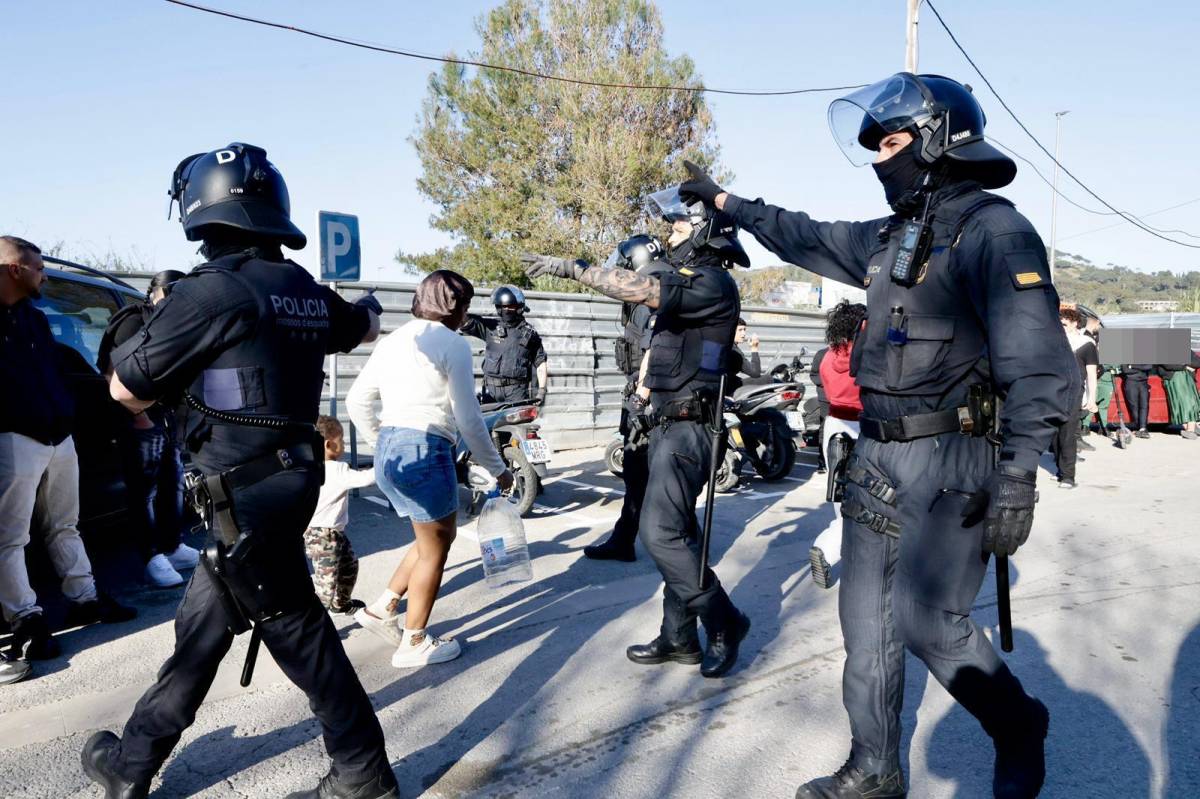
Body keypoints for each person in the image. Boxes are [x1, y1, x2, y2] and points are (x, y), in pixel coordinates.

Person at [677, 72, 1075, 797]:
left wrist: (1019, 474)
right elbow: (802, 233)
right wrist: (726, 202)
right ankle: (874, 768)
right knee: (865, 622)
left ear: (936, 139)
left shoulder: (998, 229)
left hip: (954, 458)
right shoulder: (889, 238)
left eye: (892, 142)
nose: (880, 159)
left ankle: (1019, 725)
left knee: (927, 621)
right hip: (878, 455)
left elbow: (1040, 368)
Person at [81, 143, 399, 799]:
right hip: (284, 483)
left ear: (202, 210)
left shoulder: (209, 294)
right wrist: (365, 308)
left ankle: (364, 773)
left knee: (300, 631)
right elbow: (360, 325)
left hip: (242, 499)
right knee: (201, 629)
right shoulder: (303, 289)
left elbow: (124, 391)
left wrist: (144, 315)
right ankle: (131, 763)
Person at [522, 180, 753, 680]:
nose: (669, 231)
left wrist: (572, 268)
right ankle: (679, 638)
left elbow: (641, 288)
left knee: (660, 533)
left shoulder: (711, 282)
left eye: (678, 223)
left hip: (691, 427)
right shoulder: (691, 281)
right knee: (681, 534)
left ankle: (724, 619)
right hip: (667, 421)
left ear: (707, 232)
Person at [347, 270, 514, 669]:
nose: (466, 315)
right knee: (436, 550)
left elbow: (355, 402)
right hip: (426, 448)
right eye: (466, 306)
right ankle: (414, 642)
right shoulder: (452, 344)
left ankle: (383, 608)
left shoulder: (392, 341)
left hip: (391, 450)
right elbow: (469, 419)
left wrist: (383, 441)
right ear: (453, 306)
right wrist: (500, 470)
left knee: (431, 537)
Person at [1, 235, 137, 663]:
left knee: (66, 525)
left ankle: (85, 598)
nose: (43, 274)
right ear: (14, 269)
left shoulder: (34, 318)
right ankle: (25, 617)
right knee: (11, 537)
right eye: (38, 268)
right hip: (15, 437)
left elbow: (60, 369)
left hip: (59, 437)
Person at [98, 269, 200, 587]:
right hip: (139, 418)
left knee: (173, 485)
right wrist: (136, 413)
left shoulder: (170, 322)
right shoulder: (134, 319)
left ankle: (171, 546)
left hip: (165, 417)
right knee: (144, 493)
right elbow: (110, 369)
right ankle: (151, 556)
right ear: (160, 293)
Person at [585, 234, 670, 562]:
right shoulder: (667, 283)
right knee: (658, 476)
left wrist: (641, 394)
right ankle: (643, 540)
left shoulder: (649, 296)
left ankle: (627, 542)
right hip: (657, 397)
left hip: (646, 398)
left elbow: (653, 348)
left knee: (638, 474)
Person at [809, 300, 867, 589]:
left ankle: (832, 549)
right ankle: (832, 548)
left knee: (841, 497)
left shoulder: (829, 356)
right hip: (863, 426)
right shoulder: (865, 353)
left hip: (834, 424)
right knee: (869, 503)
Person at [304, 415, 376, 614]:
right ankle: (315, 622)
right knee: (325, 586)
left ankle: (341, 603)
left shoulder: (313, 468)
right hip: (324, 536)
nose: (343, 444)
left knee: (348, 565)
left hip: (329, 534)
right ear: (328, 445)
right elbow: (365, 479)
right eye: (341, 440)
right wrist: (384, 465)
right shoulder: (336, 470)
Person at [459, 285, 548, 404]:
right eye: (503, 306)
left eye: (510, 306)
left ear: (519, 307)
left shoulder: (530, 335)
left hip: (516, 392)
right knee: (488, 422)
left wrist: (542, 391)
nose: (506, 309)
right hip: (490, 391)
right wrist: (460, 304)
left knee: (517, 423)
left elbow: (541, 363)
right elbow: (464, 322)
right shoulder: (490, 327)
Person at [1050, 308, 1094, 489]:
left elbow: (1091, 374)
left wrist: (1091, 398)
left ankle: (1069, 476)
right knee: (1054, 434)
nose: (1061, 325)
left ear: (1075, 323)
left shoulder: (1086, 344)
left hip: (1074, 392)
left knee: (1067, 434)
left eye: (1065, 322)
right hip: (1053, 391)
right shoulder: (1055, 342)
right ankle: (1060, 470)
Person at [1159, 353, 1200, 439]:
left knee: (1191, 401)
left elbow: (1197, 362)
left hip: (1187, 378)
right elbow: (1168, 365)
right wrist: (1185, 366)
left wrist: (1183, 364)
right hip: (1174, 378)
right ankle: (1189, 428)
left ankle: (1191, 428)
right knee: (1182, 403)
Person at [726, 317, 762, 393]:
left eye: (744, 330)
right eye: (740, 330)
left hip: (725, 386)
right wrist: (754, 348)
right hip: (729, 389)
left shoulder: (726, 345)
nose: (743, 333)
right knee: (768, 379)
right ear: (731, 330)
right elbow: (755, 373)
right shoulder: (734, 350)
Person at [1121, 364, 1153, 439]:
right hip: (1130, 383)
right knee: (1134, 407)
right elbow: (1125, 370)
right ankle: (1139, 427)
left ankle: (1143, 428)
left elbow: (1149, 366)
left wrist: (1132, 366)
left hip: (1143, 382)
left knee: (1144, 406)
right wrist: (1141, 368)